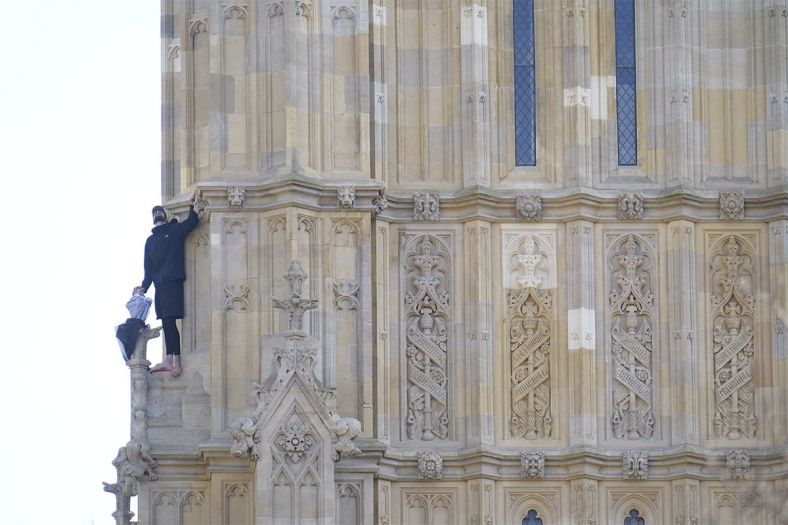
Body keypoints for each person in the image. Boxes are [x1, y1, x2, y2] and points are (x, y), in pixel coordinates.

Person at [134, 190, 199, 377]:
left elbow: (192, 223)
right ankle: (169, 359)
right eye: (154, 213)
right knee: (167, 323)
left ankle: (175, 361)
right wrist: (143, 288)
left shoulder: (174, 230)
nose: (157, 215)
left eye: (159, 212)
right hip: (160, 286)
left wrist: (192, 204)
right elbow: (148, 271)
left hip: (172, 282)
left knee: (171, 322)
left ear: (164, 215)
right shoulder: (150, 241)